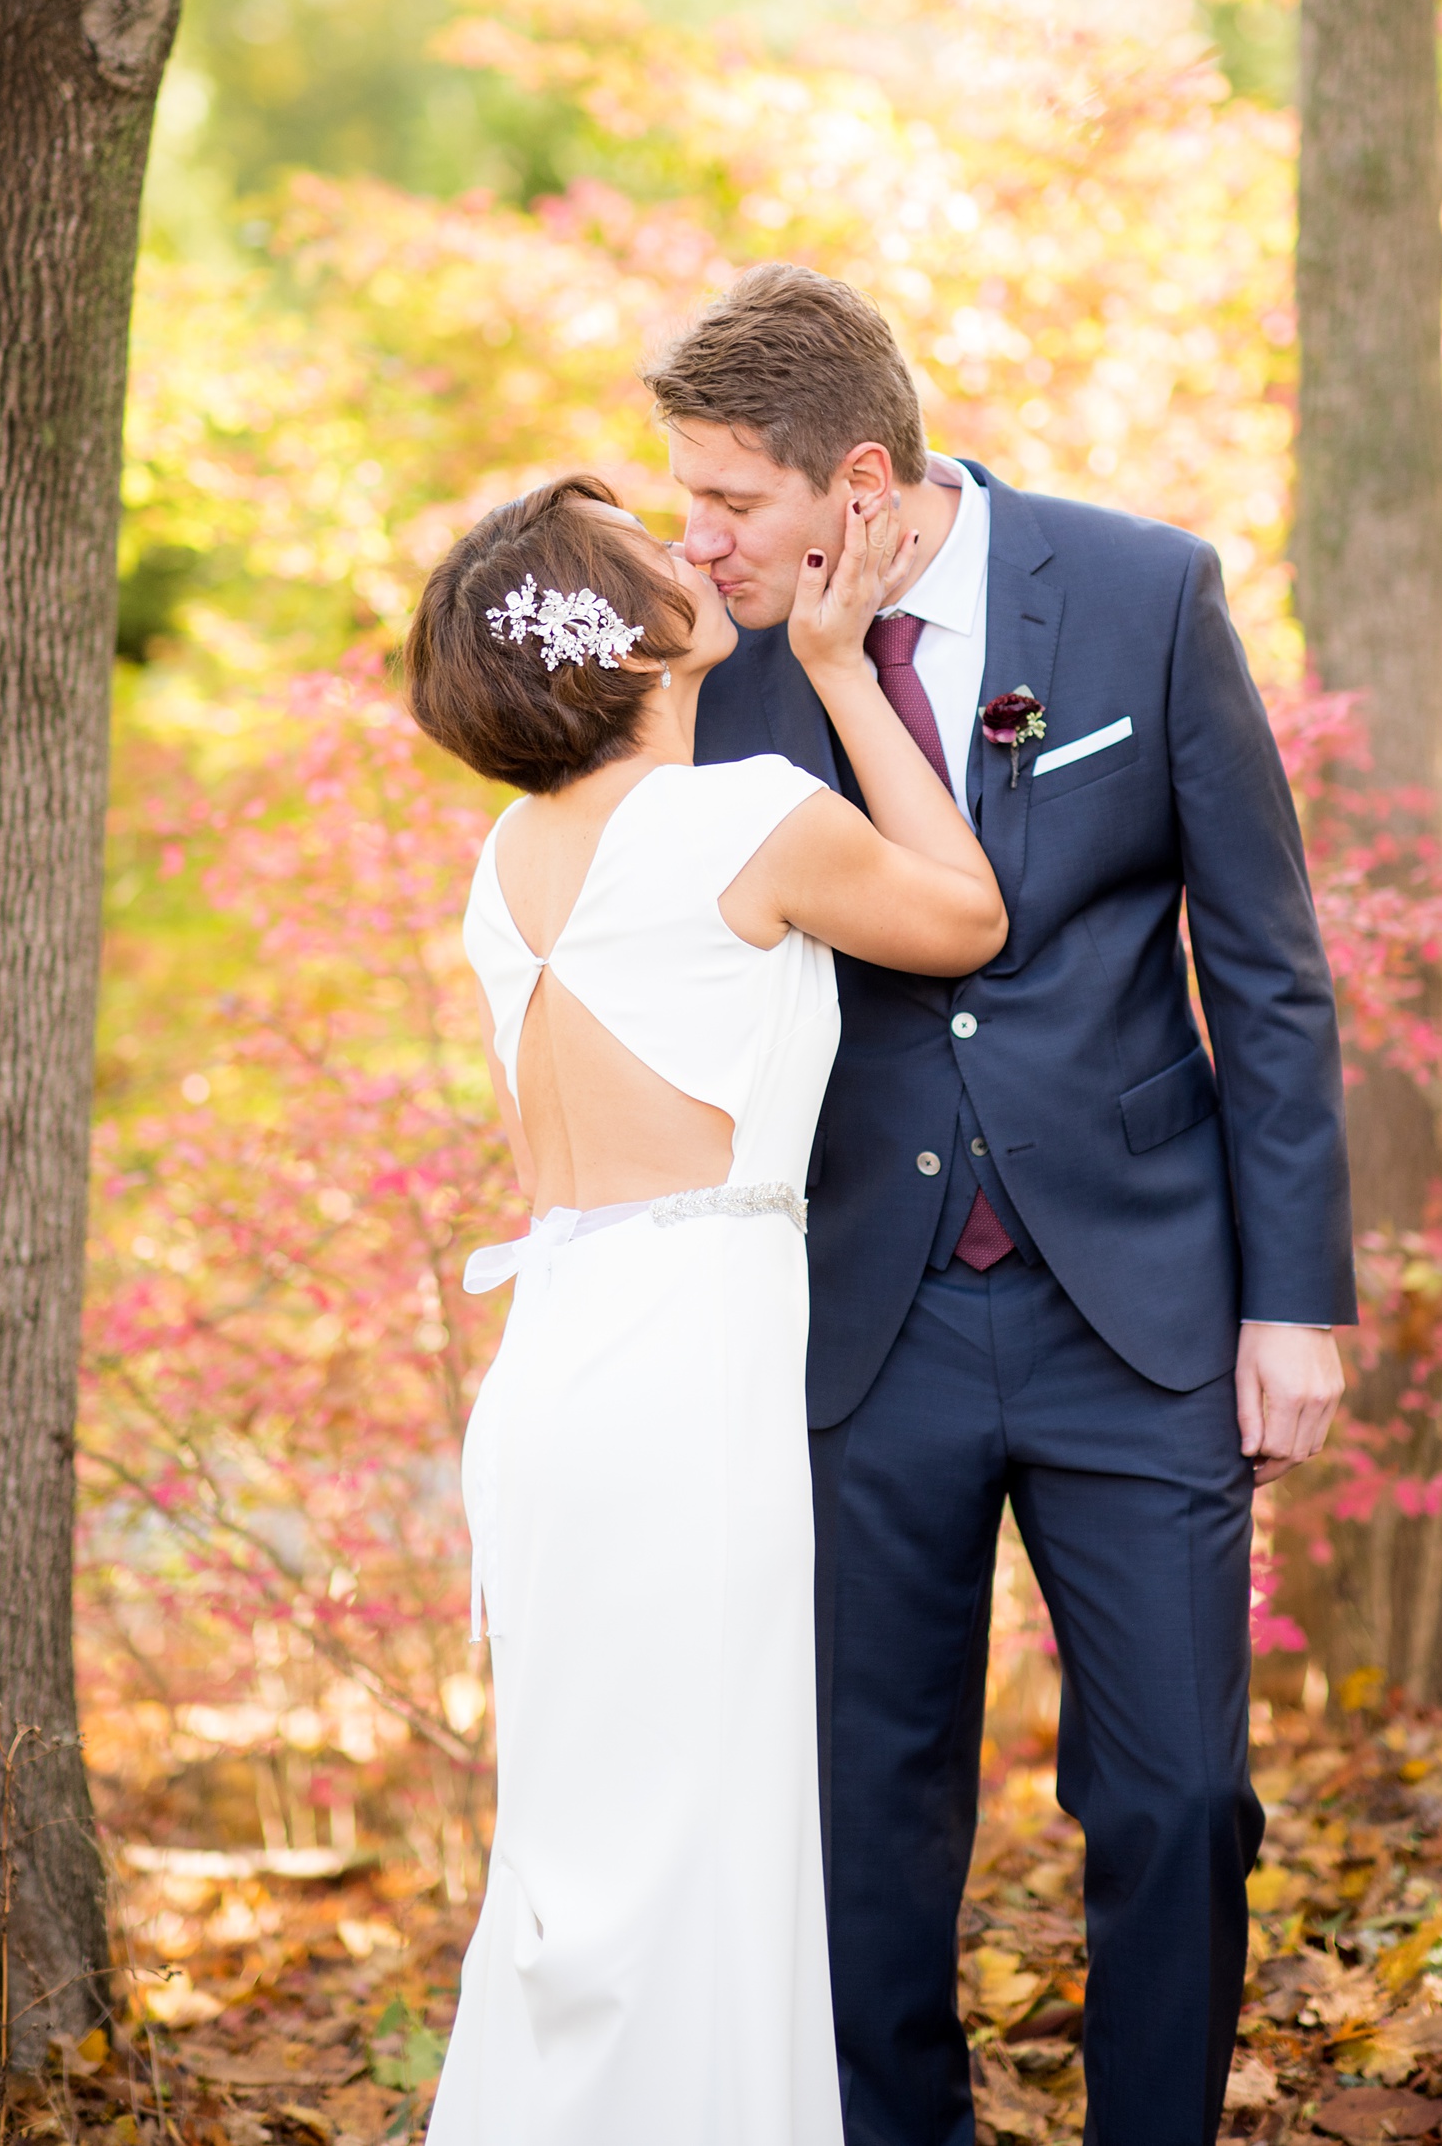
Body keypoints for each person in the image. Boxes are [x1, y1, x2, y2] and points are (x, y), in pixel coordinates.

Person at [646, 262, 1356, 2146]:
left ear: (859, 486)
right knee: (862, 1819)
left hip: (1140, 1306)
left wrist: (1298, 1303)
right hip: (851, 1315)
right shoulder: (705, 680)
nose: (693, 538)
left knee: (1182, 1800)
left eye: (732, 501)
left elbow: (1267, 967)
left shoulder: (1143, 592)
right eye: (685, 497)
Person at [403, 472, 1007, 2146]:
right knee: (710, 1838)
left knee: (579, 1855)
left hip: (557, 1369)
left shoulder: (505, 856)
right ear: (632, 637)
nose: (696, 553)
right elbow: (964, 916)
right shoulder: (739, 814)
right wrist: (834, 669)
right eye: (658, 554)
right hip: (687, 1377)